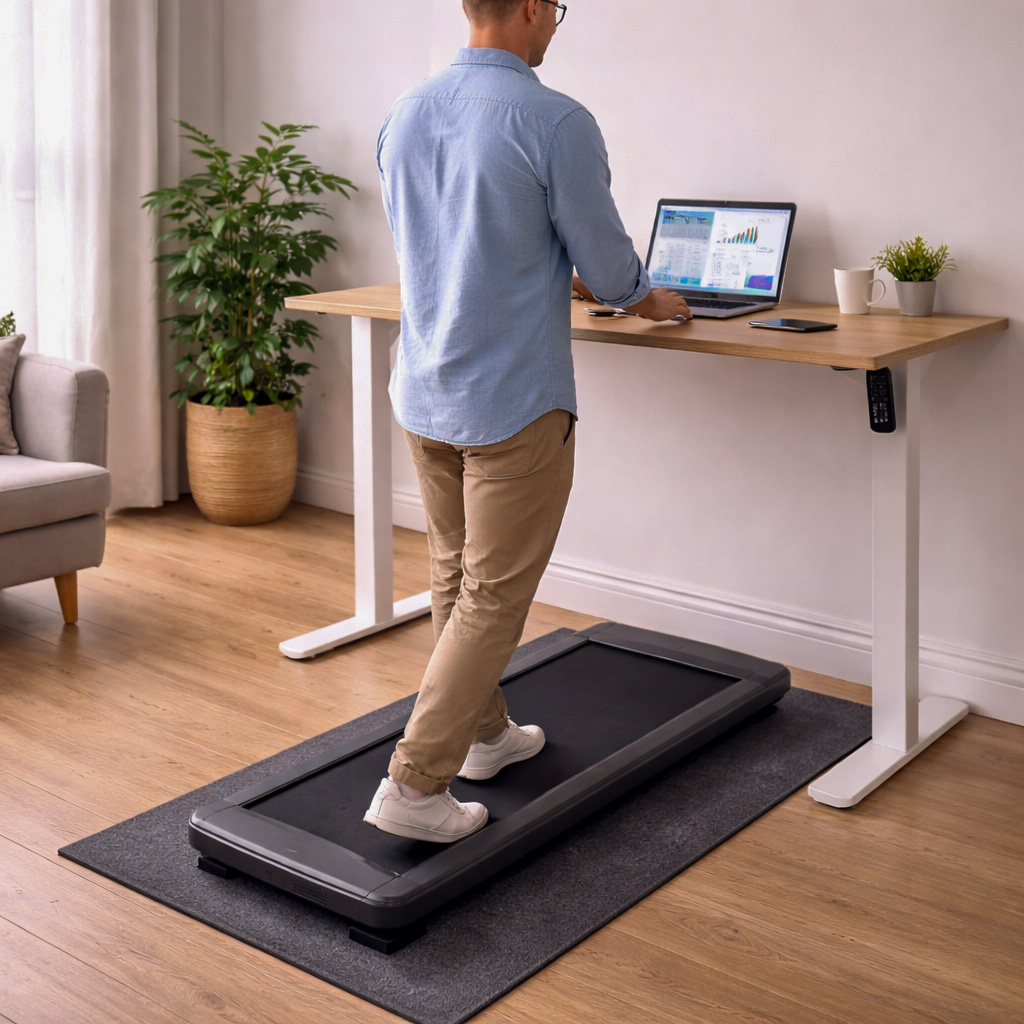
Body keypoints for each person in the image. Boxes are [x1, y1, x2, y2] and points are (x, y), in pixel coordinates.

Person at [363, 0, 690, 843]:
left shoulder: (405, 114)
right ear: (536, 9)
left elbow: (455, 240)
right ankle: (413, 783)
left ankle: (483, 735)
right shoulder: (556, 119)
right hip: (512, 399)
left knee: (453, 572)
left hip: (428, 386)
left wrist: (562, 273)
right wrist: (644, 297)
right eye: (558, 11)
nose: (556, 26)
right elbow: (610, 263)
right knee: (493, 597)